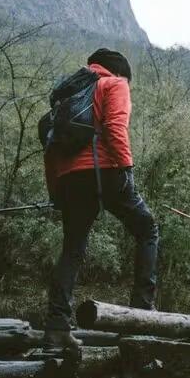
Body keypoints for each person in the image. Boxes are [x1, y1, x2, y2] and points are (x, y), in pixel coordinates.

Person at [43, 48, 160, 349]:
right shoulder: (113, 84)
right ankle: (142, 311)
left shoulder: (66, 96)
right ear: (119, 72)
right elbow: (115, 128)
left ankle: (57, 325)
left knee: (72, 249)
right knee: (147, 230)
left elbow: (51, 148)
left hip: (69, 176)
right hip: (106, 169)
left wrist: (56, 190)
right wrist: (127, 168)